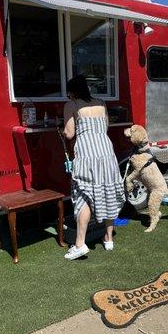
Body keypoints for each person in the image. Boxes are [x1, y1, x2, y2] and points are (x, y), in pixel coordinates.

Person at [62, 76, 125, 260]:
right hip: (106, 152)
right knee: (108, 192)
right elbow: (104, 127)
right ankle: (108, 239)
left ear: (72, 92)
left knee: (84, 195)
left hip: (87, 155)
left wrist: (62, 128)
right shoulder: (101, 103)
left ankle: (80, 244)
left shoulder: (71, 105)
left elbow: (69, 133)